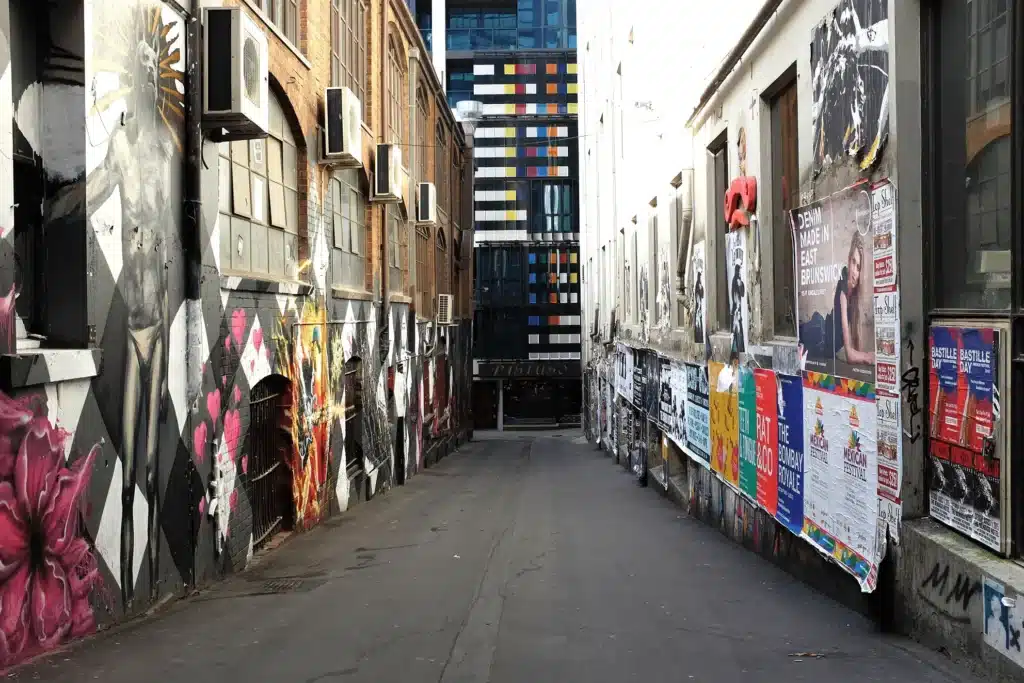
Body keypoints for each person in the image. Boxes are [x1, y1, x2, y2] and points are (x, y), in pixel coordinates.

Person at [799, 231, 874, 366]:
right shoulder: (843, 286)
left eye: (858, 267)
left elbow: (853, 346)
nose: (854, 271)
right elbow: (850, 355)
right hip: (818, 335)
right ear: (849, 259)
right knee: (794, 336)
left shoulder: (854, 295)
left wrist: (863, 355)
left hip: (822, 338)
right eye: (853, 262)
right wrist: (867, 356)